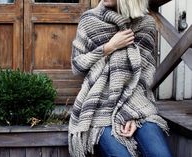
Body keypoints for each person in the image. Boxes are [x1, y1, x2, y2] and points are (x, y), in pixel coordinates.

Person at [68, 0, 173, 157]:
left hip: (136, 103)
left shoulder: (146, 24)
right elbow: (77, 65)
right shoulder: (89, 20)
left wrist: (132, 115)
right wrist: (109, 47)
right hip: (100, 104)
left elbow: (143, 77)